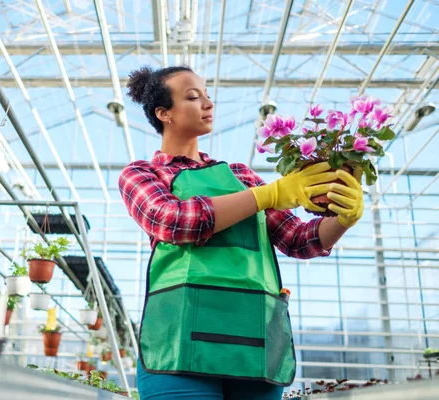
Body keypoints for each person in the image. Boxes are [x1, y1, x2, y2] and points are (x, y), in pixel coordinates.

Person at [118, 66, 364, 400]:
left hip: (253, 338)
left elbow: (298, 238)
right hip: (179, 340)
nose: (208, 103)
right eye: (193, 97)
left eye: (207, 95)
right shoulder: (143, 173)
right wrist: (268, 195)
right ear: (164, 113)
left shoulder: (240, 175)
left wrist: (344, 218)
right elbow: (173, 221)